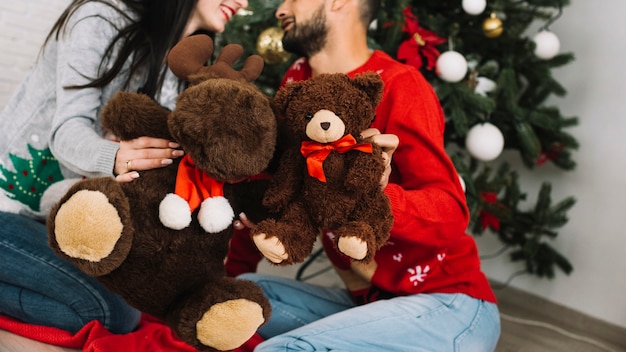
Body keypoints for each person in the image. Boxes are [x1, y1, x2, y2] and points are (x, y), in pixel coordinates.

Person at [228, 0, 502, 350]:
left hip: (449, 303)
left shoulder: (401, 86)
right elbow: (282, 181)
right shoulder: (297, 81)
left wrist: (375, 193)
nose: (280, 9)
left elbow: (451, 213)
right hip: (371, 302)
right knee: (242, 297)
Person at [0, 0, 249, 337]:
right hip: (10, 208)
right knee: (104, 312)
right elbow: (67, 132)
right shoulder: (100, 17)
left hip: (66, 225)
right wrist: (115, 157)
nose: (245, 1)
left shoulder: (184, 64)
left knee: (123, 314)